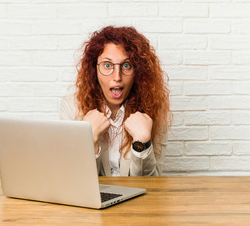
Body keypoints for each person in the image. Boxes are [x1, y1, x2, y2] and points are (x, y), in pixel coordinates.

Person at [59, 26, 170, 176]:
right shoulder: (72, 108)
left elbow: (153, 184)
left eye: (126, 65)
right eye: (107, 65)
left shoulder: (153, 108)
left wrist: (142, 143)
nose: (117, 76)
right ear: (94, 69)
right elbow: (71, 178)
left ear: (138, 72)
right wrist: (89, 138)